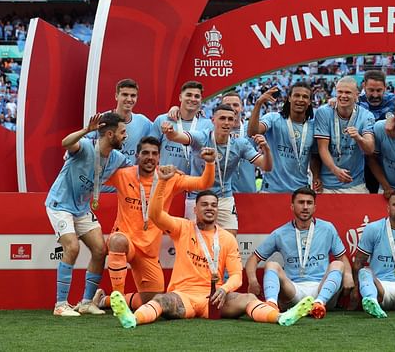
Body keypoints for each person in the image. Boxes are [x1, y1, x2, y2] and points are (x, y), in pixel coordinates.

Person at [110, 176, 299, 328]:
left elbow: (236, 276)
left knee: (248, 298)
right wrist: (162, 184)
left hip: (215, 298)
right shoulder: (183, 228)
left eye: (213, 205)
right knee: (161, 299)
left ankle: (279, 318)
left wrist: (224, 289)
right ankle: (133, 320)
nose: (210, 208)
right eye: (205, 205)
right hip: (184, 296)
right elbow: (155, 215)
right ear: (196, 209)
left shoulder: (227, 238)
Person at [93, 139, 215, 311]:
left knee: (154, 301)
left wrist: (210, 163)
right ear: (137, 156)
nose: (149, 157)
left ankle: (104, 300)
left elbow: (204, 183)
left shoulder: (169, 178)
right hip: (126, 241)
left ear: (159, 157)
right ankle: (117, 301)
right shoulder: (123, 174)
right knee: (117, 241)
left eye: (154, 153)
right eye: (145, 153)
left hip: (149, 251)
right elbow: (94, 175)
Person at [46, 113, 129, 316]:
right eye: (122, 132)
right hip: (60, 204)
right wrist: (86, 130)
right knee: (72, 247)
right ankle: (60, 305)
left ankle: (86, 302)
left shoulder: (117, 158)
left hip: (82, 209)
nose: (125, 136)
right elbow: (65, 142)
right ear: (110, 134)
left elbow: (136, 172)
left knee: (100, 250)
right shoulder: (84, 147)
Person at [245, 187, 354, 322]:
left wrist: (348, 275)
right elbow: (253, 259)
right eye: (301, 202)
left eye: (309, 203)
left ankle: (319, 304)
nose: (305, 207)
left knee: (338, 264)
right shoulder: (280, 233)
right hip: (294, 290)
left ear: (314, 207)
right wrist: (252, 280)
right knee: (271, 265)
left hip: (322, 288)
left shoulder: (327, 228)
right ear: (292, 206)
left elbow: (342, 258)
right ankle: (271, 305)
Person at [161, 104, 272, 236]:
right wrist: (170, 131)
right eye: (222, 118)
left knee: (230, 237)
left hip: (224, 197)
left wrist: (266, 149)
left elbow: (266, 167)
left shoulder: (240, 144)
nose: (226, 123)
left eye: (230, 119)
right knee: (195, 240)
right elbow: (176, 136)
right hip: (197, 196)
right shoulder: (201, 137)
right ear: (213, 120)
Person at [248, 82, 320, 193]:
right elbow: (252, 132)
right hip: (271, 191)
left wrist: (316, 176)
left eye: (305, 97)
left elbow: (314, 157)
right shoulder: (273, 118)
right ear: (289, 98)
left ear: (310, 101)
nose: (300, 99)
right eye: (296, 95)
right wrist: (258, 103)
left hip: (300, 191)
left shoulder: (313, 126)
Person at [314, 77, 376, 193]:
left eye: (348, 92)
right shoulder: (323, 112)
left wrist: (358, 138)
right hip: (327, 184)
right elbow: (322, 148)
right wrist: (335, 170)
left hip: (354, 183)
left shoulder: (366, 115)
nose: (343, 96)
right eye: (340, 92)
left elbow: (370, 149)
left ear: (357, 95)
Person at [152, 81, 212, 174]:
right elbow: (150, 150)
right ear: (180, 97)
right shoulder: (162, 120)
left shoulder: (208, 125)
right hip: (166, 180)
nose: (192, 99)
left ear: (201, 99)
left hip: (194, 184)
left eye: (197, 96)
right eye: (188, 95)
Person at [357, 70, 395, 193]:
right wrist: (333, 102)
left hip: (388, 161)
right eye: (371, 90)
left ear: (385, 87)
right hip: (362, 162)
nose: (375, 95)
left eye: (379, 90)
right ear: (364, 86)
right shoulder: (356, 102)